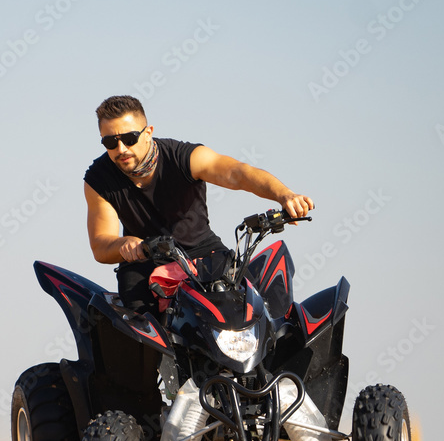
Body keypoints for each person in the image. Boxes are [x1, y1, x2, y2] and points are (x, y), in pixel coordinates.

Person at [83, 95, 315, 312]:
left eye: (129, 138)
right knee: (142, 334)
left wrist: (284, 195)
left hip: (204, 253)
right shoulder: (98, 179)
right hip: (145, 262)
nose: (121, 149)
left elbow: (238, 173)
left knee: (257, 311)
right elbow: (101, 246)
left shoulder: (184, 156)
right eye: (110, 142)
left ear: (148, 133)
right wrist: (125, 244)